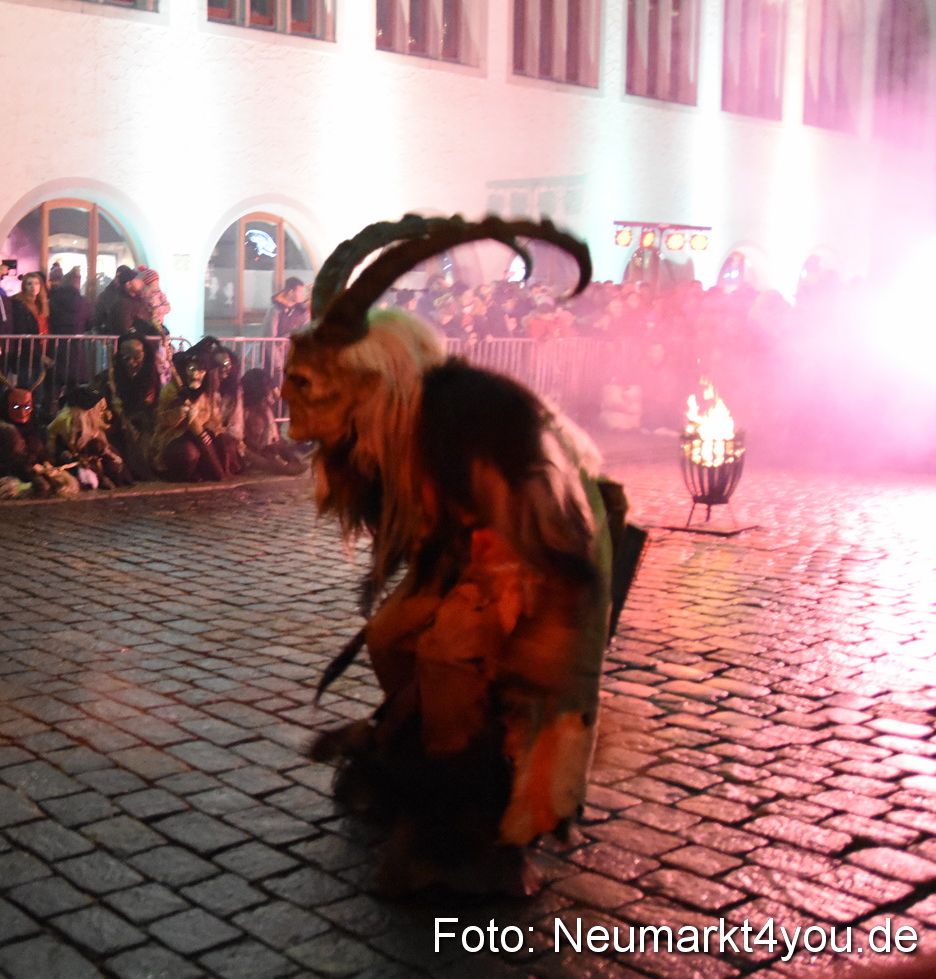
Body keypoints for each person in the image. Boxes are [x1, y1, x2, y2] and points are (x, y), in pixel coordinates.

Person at [282, 213, 642, 898]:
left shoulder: (461, 418)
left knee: (451, 654)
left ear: (364, 379)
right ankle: (413, 758)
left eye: (307, 386)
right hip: (468, 557)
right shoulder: (388, 430)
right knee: (391, 635)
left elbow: (537, 533)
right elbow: (430, 535)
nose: (291, 404)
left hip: (538, 560)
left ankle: (478, 823)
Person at [149, 347, 236, 482]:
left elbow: (214, 419)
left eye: (200, 370)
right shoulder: (171, 390)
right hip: (174, 437)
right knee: (189, 452)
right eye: (192, 369)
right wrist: (179, 414)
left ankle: (217, 473)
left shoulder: (207, 392)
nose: (196, 374)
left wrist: (206, 432)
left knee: (223, 441)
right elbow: (162, 421)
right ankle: (182, 475)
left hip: (199, 435)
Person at [0, 384, 73, 499]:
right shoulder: (0, 429)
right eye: (16, 407)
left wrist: (46, 463)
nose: (22, 412)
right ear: (6, 406)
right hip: (6, 474)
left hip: (29, 472)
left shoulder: (32, 427)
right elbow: (12, 458)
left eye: (27, 407)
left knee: (61, 485)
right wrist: (33, 467)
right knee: (42, 487)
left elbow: (39, 450)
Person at [95, 330, 161, 480]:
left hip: (145, 427)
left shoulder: (150, 375)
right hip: (117, 427)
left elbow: (150, 406)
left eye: (136, 358)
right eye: (126, 358)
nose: (131, 363)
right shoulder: (111, 376)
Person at [47, 384, 131, 489]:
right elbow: (68, 452)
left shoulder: (92, 427)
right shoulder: (70, 425)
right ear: (89, 410)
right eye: (100, 409)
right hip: (72, 463)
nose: (102, 413)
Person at [239, 368, 307, 475]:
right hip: (246, 453)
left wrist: (288, 456)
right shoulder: (243, 412)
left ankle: (289, 464)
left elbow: (276, 439)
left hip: (264, 451)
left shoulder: (266, 411)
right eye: (267, 386)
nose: (270, 390)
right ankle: (283, 469)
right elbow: (242, 442)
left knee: (282, 450)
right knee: (272, 465)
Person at [47, 266, 92, 334]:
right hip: (77, 338)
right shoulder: (83, 301)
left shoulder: (55, 298)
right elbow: (89, 323)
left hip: (57, 338)